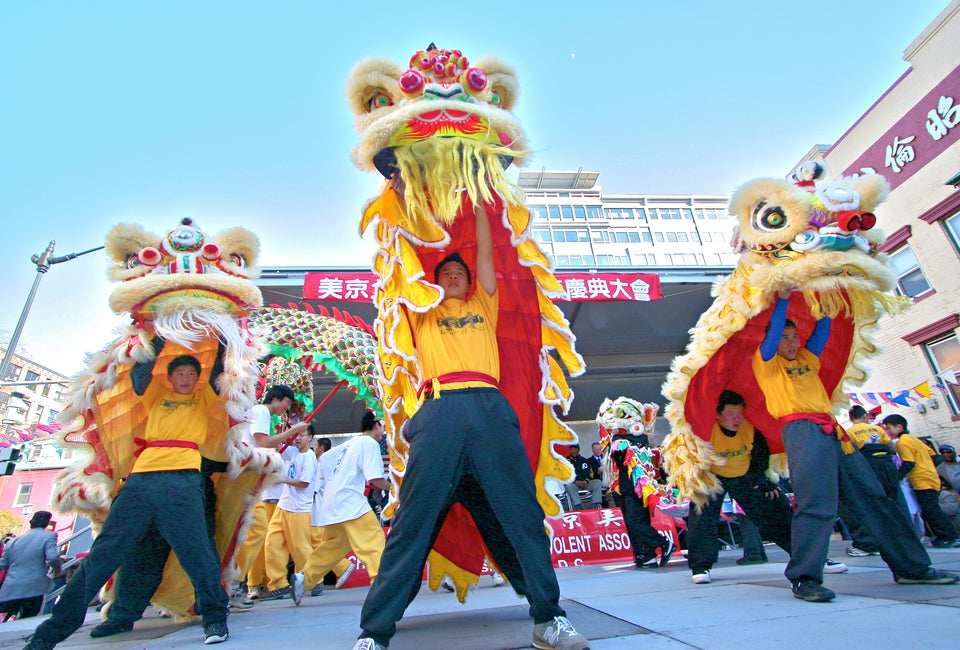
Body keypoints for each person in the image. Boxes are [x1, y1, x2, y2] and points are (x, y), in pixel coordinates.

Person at [352, 206, 589, 650]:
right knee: (413, 524)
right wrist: (402, 200)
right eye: (447, 272)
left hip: (489, 408)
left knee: (521, 518)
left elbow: (484, 255)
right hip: (439, 411)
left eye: (461, 271)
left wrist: (482, 205)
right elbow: (406, 256)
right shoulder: (422, 314)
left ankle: (549, 619)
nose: (456, 275)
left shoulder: (484, 301)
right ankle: (374, 632)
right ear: (435, 283)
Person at [752, 289, 957, 603]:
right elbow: (774, 327)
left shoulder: (807, 358)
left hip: (833, 430)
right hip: (802, 429)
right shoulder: (765, 361)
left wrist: (825, 304)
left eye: (795, 336)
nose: (792, 342)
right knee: (816, 503)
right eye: (785, 337)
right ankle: (804, 579)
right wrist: (780, 299)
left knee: (875, 497)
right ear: (774, 339)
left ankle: (911, 567)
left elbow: (822, 331)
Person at [24, 351, 231, 649]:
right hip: (140, 480)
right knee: (104, 553)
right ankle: (51, 633)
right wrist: (154, 335)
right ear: (169, 377)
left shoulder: (204, 397)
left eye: (191, 374)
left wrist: (223, 336)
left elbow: (218, 371)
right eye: (180, 373)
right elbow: (141, 372)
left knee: (197, 552)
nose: (186, 378)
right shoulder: (155, 394)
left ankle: (215, 620)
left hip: (183, 479)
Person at [686, 390, 793, 584]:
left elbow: (760, 458)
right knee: (702, 514)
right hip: (712, 476)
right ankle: (700, 567)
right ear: (718, 415)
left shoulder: (750, 429)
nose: (737, 419)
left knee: (776, 504)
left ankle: (806, 555)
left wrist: (763, 482)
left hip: (744, 475)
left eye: (740, 413)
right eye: (731, 414)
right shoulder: (705, 431)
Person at [291, 412, 388, 606]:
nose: (383, 432)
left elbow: (325, 462)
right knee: (373, 541)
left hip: (332, 503)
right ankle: (382, 586)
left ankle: (304, 578)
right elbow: (375, 478)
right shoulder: (369, 444)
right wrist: (395, 487)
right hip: (351, 502)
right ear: (376, 425)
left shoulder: (348, 444)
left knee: (335, 546)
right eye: (383, 427)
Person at [234, 385, 308, 600]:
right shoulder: (261, 411)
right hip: (245, 478)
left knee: (254, 530)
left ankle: (237, 582)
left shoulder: (260, 414)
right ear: (276, 399)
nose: (286, 408)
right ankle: (234, 581)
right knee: (256, 528)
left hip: (249, 478)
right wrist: (293, 431)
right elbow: (263, 442)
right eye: (287, 402)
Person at [841, 405, 907, 557]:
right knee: (895, 499)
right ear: (865, 416)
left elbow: (851, 451)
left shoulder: (849, 432)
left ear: (850, 418)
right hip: (886, 464)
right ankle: (904, 535)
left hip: (867, 465)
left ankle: (876, 540)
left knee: (873, 501)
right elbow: (892, 447)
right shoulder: (877, 429)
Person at [883, 414, 958, 548]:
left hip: (921, 479)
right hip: (930, 477)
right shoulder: (915, 439)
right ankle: (945, 535)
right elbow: (933, 455)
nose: (889, 431)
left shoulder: (903, 442)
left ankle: (948, 536)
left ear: (899, 427)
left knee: (931, 510)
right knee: (932, 508)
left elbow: (908, 463)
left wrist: (897, 478)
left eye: (890, 428)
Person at [260, 427, 317, 601]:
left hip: (300, 509)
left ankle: (314, 580)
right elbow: (275, 446)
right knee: (272, 543)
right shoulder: (293, 453)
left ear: (310, 438)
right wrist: (286, 428)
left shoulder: (310, 457)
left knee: (300, 549)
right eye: (297, 435)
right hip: (284, 505)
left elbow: (304, 482)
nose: (298, 438)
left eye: (302, 435)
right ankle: (278, 584)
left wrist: (282, 480)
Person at [308, 435, 355, 596]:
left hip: (316, 512)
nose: (314, 449)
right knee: (318, 543)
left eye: (315, 446)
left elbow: (313, 489)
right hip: (323, 510)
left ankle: (341, 565)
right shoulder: (331, 463)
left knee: (316, 544)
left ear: (321, 448)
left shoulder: (320, 463)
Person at [0, 511, 61, 621]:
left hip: (11, 587)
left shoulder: (13, 541)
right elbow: (53, 557)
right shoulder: (49, 536)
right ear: (46, 524)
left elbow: (3, 564)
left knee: (5, 619)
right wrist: (57, 570)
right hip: (33, 586)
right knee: (28, 619)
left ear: (31, 522)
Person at [564, 444, 602, 510]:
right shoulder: (566, 461)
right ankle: (579, 506)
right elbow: (564, 474)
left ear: (578, 450)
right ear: (570, 450)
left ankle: (595, 505)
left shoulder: (584, 460)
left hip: (586, 483)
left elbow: (591, 473)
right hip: (574, 484)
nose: (573, 451)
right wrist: (575, 482)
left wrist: (586, 481)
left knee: (597, 482)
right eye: (572, 449)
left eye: (575, 449)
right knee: (568, 486)